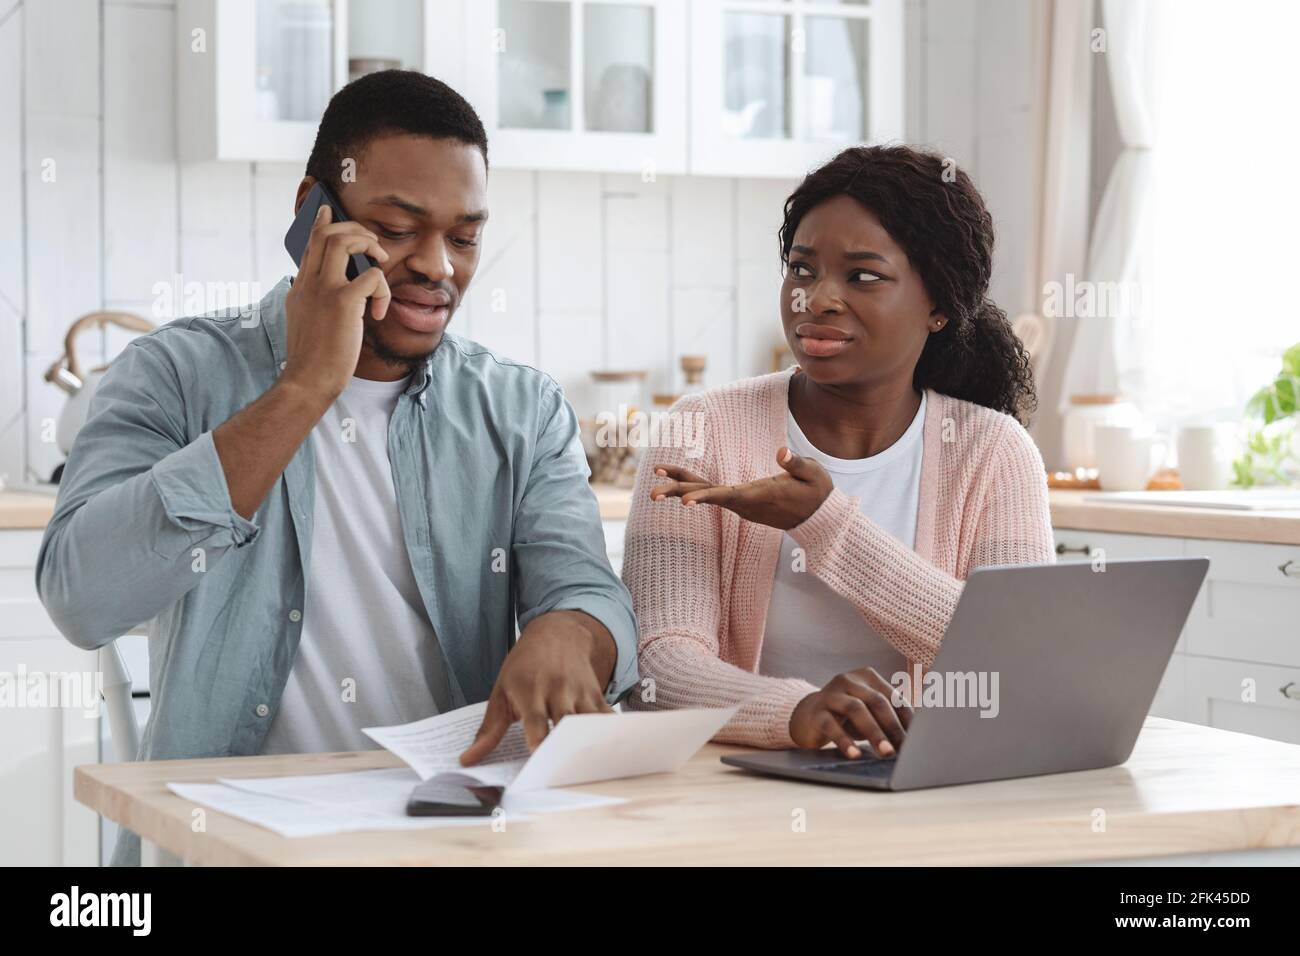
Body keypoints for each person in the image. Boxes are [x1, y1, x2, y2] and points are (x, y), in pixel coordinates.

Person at [37, 71, 637, 866]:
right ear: (312, 213)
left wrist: (572, 631)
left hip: (449, 836)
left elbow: (589, 594)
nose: (439, 267)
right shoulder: (173, 374)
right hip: (228, 843)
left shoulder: (520, 410)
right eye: (398, 227)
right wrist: (307, 385)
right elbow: (82, 600)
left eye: (464, 237)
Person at [622, 144, 1053, 759]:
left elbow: (1022, 663)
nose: (815, 299)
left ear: (937, 305)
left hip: (931, 795)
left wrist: (825, 526)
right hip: (742, 789)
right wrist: (796, 713)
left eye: (863, 276)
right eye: (802, 269)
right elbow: (658, 671)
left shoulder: (993, 452)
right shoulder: (704, 429)